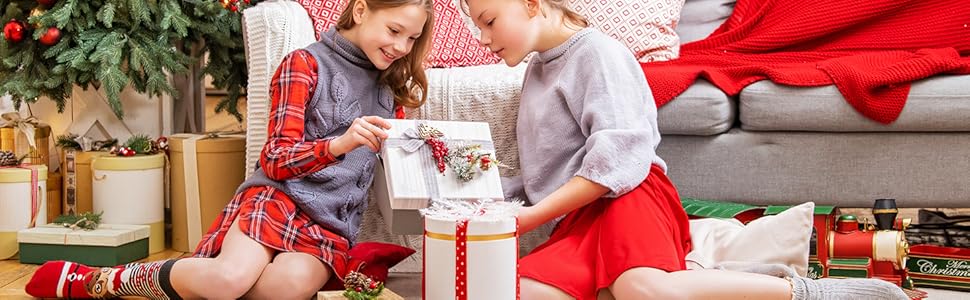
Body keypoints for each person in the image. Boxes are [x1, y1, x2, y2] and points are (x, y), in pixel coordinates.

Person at [460, 0, 910, 299]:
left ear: (532, 4)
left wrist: (531, 217)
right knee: (517, 290)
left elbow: (621, 156)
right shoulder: (539, 70)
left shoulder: (597, 54)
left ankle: (809, 292)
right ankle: (707, 275)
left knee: (642, 287)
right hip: (578, 217)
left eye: (489, 20)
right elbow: (548, 170)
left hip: (629, 197)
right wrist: (482, 195)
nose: (482, 37)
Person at [25, 0, 433, 299]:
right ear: (360, 10)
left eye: (412, 38)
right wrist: (338, 144)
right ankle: (105, 281)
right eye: (394, 31)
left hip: (329, 229)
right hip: (280, 200)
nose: (401, 47)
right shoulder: (304, 65)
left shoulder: (388, 89)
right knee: (227, 283)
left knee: (282, 290)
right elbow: (274, 159)